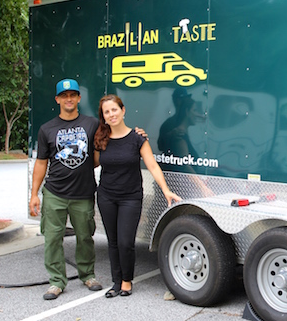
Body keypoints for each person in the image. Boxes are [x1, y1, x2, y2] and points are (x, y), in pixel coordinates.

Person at [94, 94, 182, 298]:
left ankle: (127, 280)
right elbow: (94, 163)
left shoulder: (137, 138)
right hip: (106, 196)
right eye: (106, 112)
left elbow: (152, 165)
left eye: (114, 110)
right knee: (113, 241)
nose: (111, 114)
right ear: (104, 117)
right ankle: (116, 282)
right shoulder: (100, 139)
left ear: (123, 111)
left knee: (126, 241)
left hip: (130, 197)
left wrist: (165, 189)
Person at [29, 79, 104, 300]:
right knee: (52, 238)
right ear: (57, 99)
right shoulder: (47, 129)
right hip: (54, 193)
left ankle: (88, 275)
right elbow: (41, 162)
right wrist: (34, 194)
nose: (68, 99)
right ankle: (56, 281)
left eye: (73, 95)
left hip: (83, 193)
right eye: (64, 95)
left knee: (85, 237)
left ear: (79, 98)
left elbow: (100, 154)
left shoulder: (92, 124)